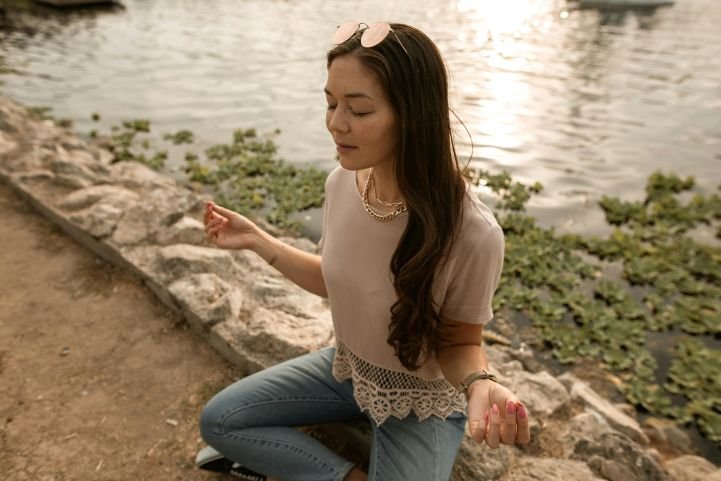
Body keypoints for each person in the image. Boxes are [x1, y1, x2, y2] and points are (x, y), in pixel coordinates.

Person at [196, 21, 531, 481]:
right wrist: (259, 241)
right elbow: (339, 280)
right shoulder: (343, 182)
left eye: (358, 109)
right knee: (219, 420)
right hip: (347, 371)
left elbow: (460, 343)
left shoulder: (473, 233)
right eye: (331, 103)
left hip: (420, 402)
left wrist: (480, 384)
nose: (336, 123)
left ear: (413, 114)